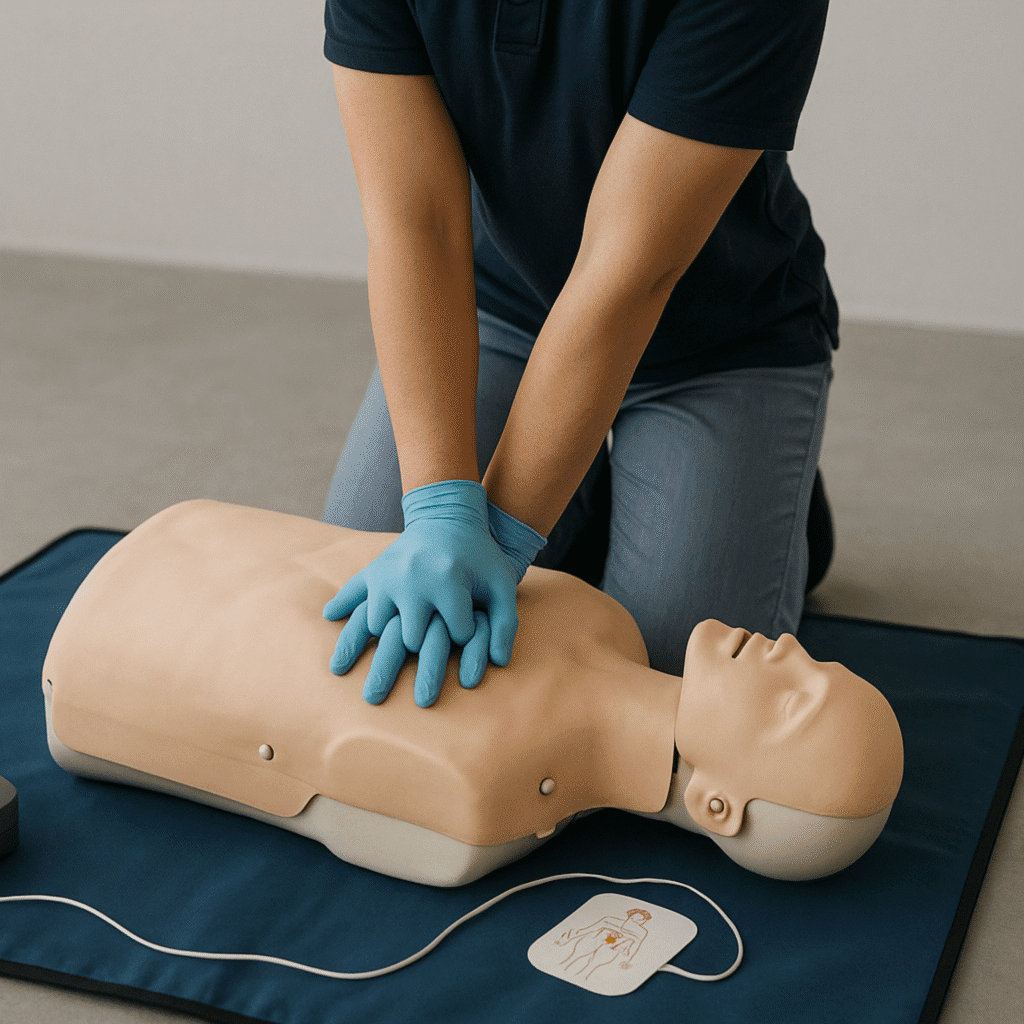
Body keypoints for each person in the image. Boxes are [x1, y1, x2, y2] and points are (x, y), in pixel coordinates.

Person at [320, 0, 840, 708]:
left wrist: (500, 540)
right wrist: (441, 509)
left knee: (661, 670)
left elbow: (629, 267)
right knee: (360, 567)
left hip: (721, 344)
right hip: (507, 308)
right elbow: (418, 224)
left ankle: (766, 497)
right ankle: (597, 482)